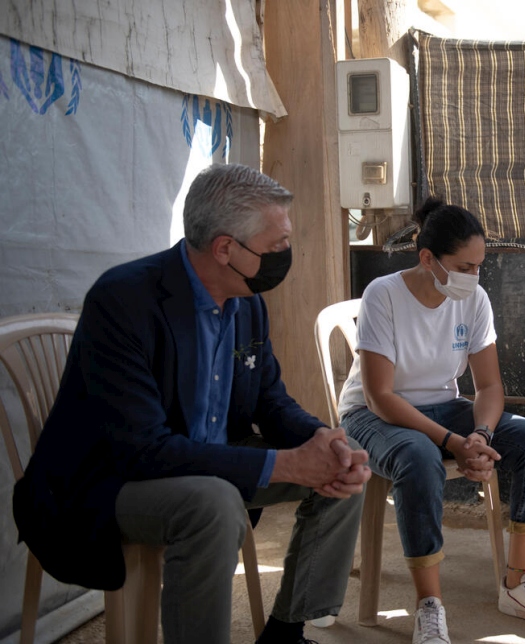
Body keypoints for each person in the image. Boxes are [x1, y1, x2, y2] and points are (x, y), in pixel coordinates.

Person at [12, 164, 372, 644]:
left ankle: (287, 633)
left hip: (202, 455)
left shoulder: (247, 299)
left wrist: (319, 440)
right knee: (215, 504)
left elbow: (269, 398)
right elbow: (142, 450)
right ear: (225, 248)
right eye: (276, 245)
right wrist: (284, 465)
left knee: (340, 470)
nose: (287, 254)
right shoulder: (123, 300)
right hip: (106, 481)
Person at [338, 198, 525, 644]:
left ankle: (518, 583)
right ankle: (430, 606)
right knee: (418, 456)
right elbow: (380, 395)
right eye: (464, 267)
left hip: (444, 407)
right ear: (427, 258)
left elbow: (488, 388)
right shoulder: (383, 295)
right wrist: (453, 440)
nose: (474, 277)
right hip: (371, 416)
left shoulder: (474, 300)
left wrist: (480, 434)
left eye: (479, 266)